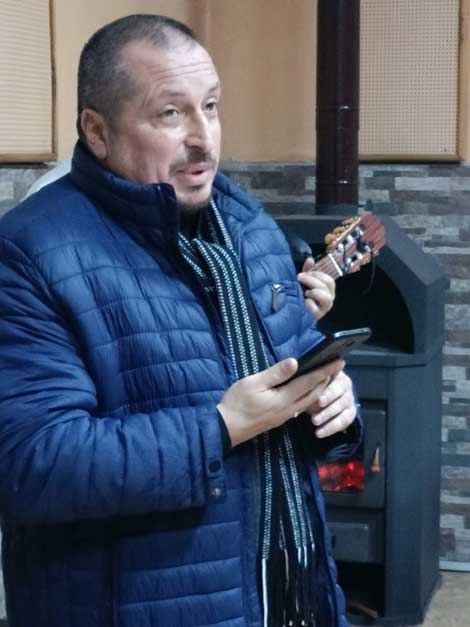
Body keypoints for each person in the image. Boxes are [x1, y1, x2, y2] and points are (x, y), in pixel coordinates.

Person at [0, 14, 360, 627]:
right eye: (171, 114)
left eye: (211, 107)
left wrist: (333, 408)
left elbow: (296, 370)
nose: (204, 139)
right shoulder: (30, 252)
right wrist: (218, 428)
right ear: (97, 130)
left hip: (292, 599)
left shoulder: (249, 226)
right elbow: (32, 465)